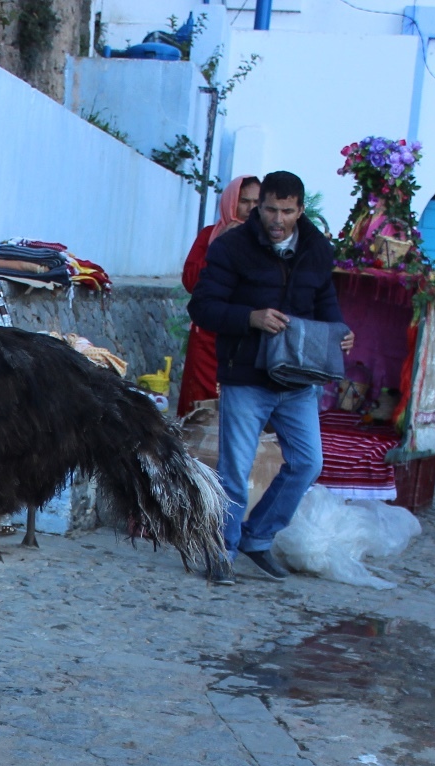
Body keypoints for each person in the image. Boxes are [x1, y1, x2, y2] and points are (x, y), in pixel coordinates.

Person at [186, 169, 354, 584]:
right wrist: (251, 318)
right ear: (258, 208)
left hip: (297, 378)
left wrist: (340, 333)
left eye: (287, 211)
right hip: (246, 374)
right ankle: (221, 550)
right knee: (234, 472)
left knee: (308, 463)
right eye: (270, 209)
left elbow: (325, 302)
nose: (278, 219)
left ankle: (257, 537)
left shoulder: (317, 248)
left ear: (300, 210)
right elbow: (202, 307)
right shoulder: (233, 247)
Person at [176, 176, 261, 416]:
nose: (250, 208)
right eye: (244, 201)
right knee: (199, 407)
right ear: (230, 202)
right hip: (208, 338)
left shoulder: (267, 242)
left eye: (257, 201)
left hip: (247, 336)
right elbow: (191, 280)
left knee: (241, 410)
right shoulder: (209, 236)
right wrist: (221, 244)